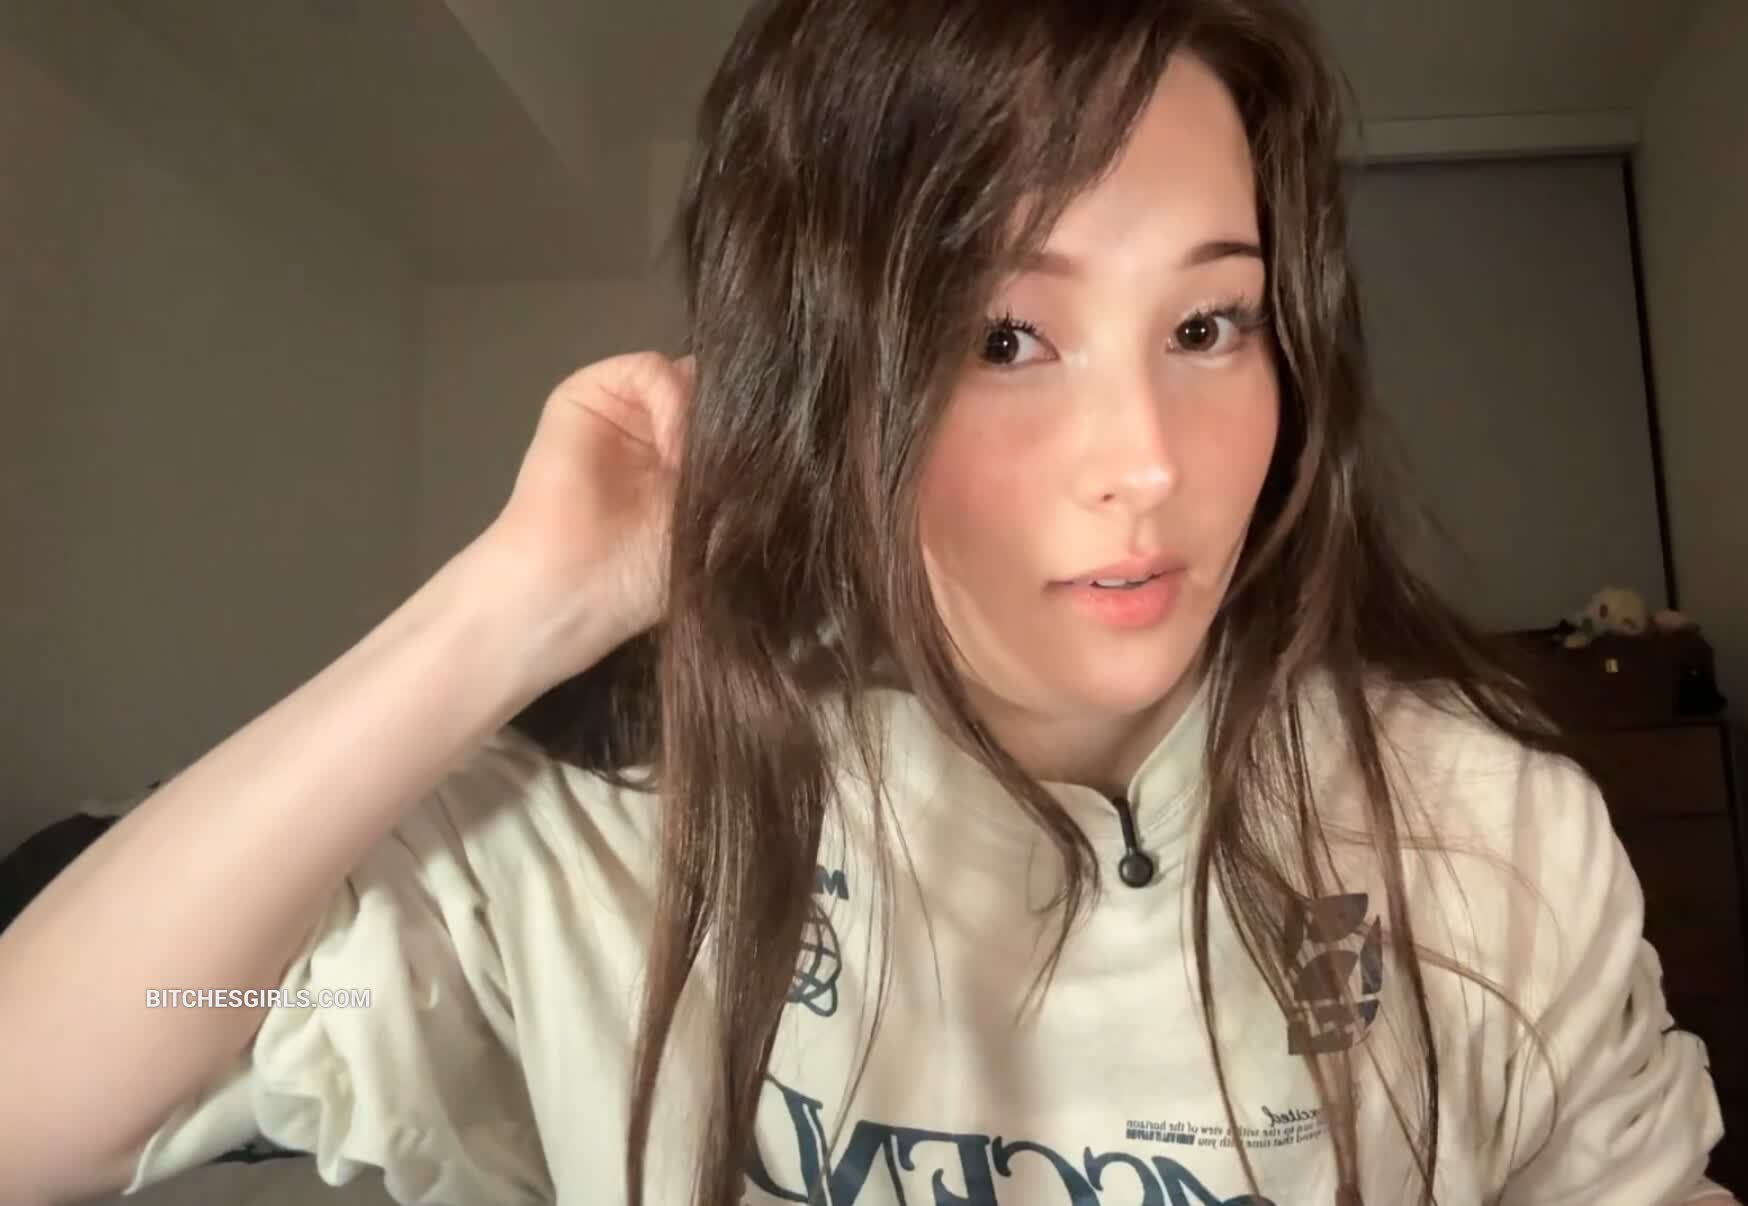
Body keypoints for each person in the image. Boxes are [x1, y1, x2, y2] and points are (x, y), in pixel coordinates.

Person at [0, 0, 1733, 1203]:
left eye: (1208, 326)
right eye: (1004, 337)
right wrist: (512, 603)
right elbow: (48, 1092)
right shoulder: (625, 847)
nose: (1147, 460)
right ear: (831, 378)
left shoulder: (1481, 830)